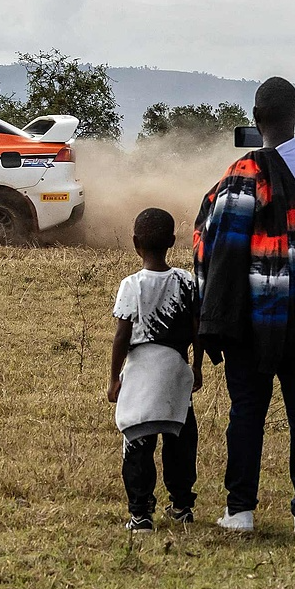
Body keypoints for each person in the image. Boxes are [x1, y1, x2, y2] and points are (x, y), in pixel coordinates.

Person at [194, 77, 295, 536]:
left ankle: (239, 512)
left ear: (255, 121)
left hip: (252, 304)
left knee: (246, 408)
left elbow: (215, 236)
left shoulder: (238, 172)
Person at [108, 208, 202, 532]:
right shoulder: (187, 281)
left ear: (135, 242)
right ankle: (181, 506)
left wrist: (112, 378)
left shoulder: (130, 285)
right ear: (173, 241)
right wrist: (197, 368)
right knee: (181, 443)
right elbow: (196, 329)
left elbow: (121, 337)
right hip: (177, 372)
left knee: (137, 444)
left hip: (139, 374)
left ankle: (140, 515)